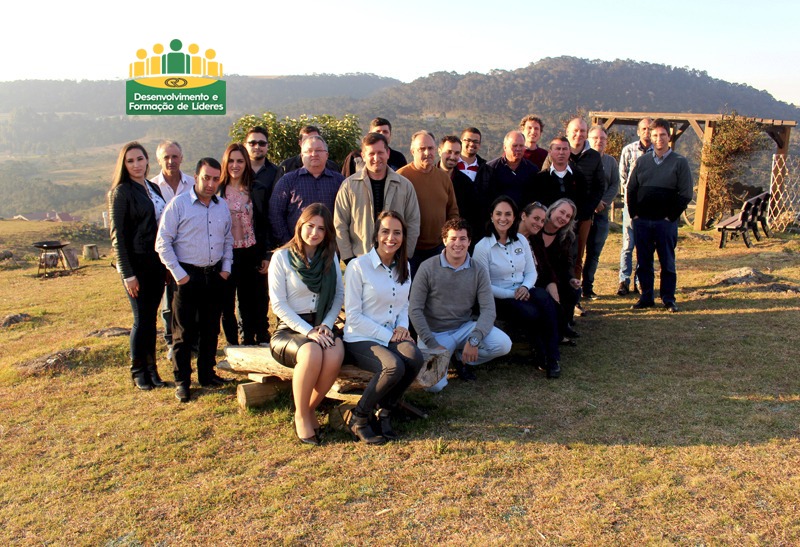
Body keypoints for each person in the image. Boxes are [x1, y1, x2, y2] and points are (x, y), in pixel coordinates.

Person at [156, 158, 234, 404]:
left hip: (215, 275)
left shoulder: (222, 207)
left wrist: (225, 269)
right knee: (183, 333)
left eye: (215, 179)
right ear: (196, 176)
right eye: (206, 178)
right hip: (187, 277)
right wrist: (181, 275)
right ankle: (183, 382)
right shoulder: (178, 205)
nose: (210, 184)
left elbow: (228, 239)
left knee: (211, 329)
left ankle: (207, 374)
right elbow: (162, 242)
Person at [268, 203, 345, 446]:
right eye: (310, 226)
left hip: (321, 324)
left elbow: (338, 296)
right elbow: (278, 304)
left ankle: (308, 408)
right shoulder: (281, 257)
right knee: (311, 352)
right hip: (290, 329)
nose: (315, 233)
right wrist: (308, 331)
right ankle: (302, 416)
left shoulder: (329, 257)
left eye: (321, 229)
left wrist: (325, 325)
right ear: (300, 225)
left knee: (335, 352)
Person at [343, 211, 423, 444]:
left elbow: (403, 305)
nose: (391, 237)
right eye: (385, 231)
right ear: (376, 236)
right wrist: (390, 336)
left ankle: (385, 411)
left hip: (390, 336)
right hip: (360, 337)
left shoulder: (404, 265)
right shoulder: (358, 266)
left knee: (415, 357)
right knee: (393, 366)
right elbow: (354, 316)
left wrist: (402, 328)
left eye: (397, 232)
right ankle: (358, 417)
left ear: (403, 237)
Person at [409, 218, 512, 392]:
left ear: (469, 242)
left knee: (503, 344)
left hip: (464, 328)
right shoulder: (427, 267)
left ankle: (458, 356)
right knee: (432, 386)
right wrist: (432, 344)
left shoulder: (478, 270)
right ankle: (445, 359)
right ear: (444, 241)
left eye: (463, 239)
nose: (458, 243)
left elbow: (488, 309)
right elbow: (414, 309)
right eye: (453, 238)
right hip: (435, 333)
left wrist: (474, 339)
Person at [473, 197, 561, 378]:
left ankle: (552, 358)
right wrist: (512, 293)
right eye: (498, 214)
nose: (503, 218)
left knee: (546, 299)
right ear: (491, 216)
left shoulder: (521, 239)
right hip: (499, 296)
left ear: (514, 218)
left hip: (524, 289)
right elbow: (483, 286)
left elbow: (531, 272)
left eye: (507, 214)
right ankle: (542, 353)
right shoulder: (482, 247)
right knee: (531, 313)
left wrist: (525, 287)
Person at [108, 142, 168, 391]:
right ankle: (137, 371)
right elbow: (117, 236)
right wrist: (127, 274)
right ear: (124, 164)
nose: (136, 165)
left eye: (140, 159)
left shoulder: (152, 187)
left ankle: (152, 370)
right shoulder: (121, 192)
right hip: (136, 266)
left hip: (156, 264)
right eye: (130, 161)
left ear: (147, 161)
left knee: (151, 320)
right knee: (140, 320)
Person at [628, 118, 693, 313]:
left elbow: (686, 193)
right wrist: (635, 215)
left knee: (667, 262)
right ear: (650, 136)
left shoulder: (680, 162)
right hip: (643, 222)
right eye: (655, 135)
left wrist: (670, 217)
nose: (659, 139)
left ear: (669, 136)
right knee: (643, 262)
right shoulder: (642, 161)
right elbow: (631, 189)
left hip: (665, 223)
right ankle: (646, 296)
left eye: (662, 135)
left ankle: (668, 298)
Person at [334, 132, 420, 263]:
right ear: (363, 156)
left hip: (395, 260)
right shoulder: (348, 186)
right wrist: (348, 258)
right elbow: (340, 224)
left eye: (380, 153)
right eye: (371, 154)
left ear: (388, 154)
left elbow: (413, 222)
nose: (376, 157)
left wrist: (405, 256)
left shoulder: (405, 186)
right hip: (360, 259)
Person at [217, 143, 269, 346]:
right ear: (225, 163)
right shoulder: (218, 190)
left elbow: (264, 224)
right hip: (225, 255)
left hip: (251, 252)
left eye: (240, 161)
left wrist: (266, 254)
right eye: (231, 161)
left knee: (251, 301)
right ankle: (232, 345)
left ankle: (251, 340)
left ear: (246, 163)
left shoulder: (257, 189)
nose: (235, 165)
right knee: (226, 303)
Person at [152, 140, 194, 358]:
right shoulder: (151, 187)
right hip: (165, 253)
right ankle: (171, 341)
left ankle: (192, 341)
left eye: (175, 156)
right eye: (166, 157)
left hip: (190, 252)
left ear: (181, 158)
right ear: (159, 160)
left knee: (191, 299)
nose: (171, 161)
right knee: (169, 301)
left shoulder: (193, 183)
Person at [398, 131, 459, 275]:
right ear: (412, 151)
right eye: (422, 149)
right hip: (409, 251)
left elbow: (453, 211)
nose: (427, 152)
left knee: (436, 294)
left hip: (438, 249)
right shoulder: (401, 177)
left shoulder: (443, 178)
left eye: (431, 148)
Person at [269, 135, 344, 246]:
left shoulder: (340, 181)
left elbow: (346, 216)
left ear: (327, 155)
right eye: (309, 151)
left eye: (318, 150)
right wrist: (289, 243)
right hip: (295, 247)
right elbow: (275, 214)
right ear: (302, 155)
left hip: (329, 248)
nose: (314, 154)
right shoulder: (287, 181)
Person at [530, 198, 581, 343]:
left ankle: (563, 325)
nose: (563, 218)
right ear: (552, 210)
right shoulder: (535, 229)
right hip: (535, 277)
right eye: (562, 212)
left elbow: (567, 263)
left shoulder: (567, 236)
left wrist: (571, 278)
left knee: (573, 290)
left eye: (568, 216)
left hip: (557, 277)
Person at [582, 125, 620, 299]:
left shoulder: (611, 161)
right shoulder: (584, 159)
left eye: (602, 139)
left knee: (594, 253)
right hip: (584, 212)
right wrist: (593, 202)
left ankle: (588, 288)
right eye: (595, 138)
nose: (599, 141)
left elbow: (614, 184)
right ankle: (574, 289)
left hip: (602, 214)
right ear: (588, 139)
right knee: (577, 252)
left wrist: (602, 202)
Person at [617, 117, 653, 296]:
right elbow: (623, 178)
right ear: (639, 131)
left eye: (650, 129)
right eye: (644, 129)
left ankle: (640, 282)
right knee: (628, 244)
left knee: (644, 245)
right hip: (631, 206)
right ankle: (623, 280)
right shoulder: (628, 150)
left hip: (650, 207)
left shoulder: (659, 152)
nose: (647, 132)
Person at [438, 135, 483, 250]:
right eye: (449, 152)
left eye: (457, 153)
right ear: (439, 151)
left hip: (456, 244)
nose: (452, 157)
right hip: (431, 242)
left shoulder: (466, 183)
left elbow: (473, 215)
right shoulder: (428, 179)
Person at [486, 131, 538, 207]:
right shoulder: (491, 168)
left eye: (521, 146)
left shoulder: (532, 169)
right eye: (514, 145)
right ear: (505, 147)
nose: (518, 149)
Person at [342, 117, 408, 177]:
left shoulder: (398, 158)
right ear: (369, 134)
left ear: (390, 135)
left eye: (385, 132)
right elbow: (346, 180)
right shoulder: (355, 157)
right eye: (377, 131)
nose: (382, 134)